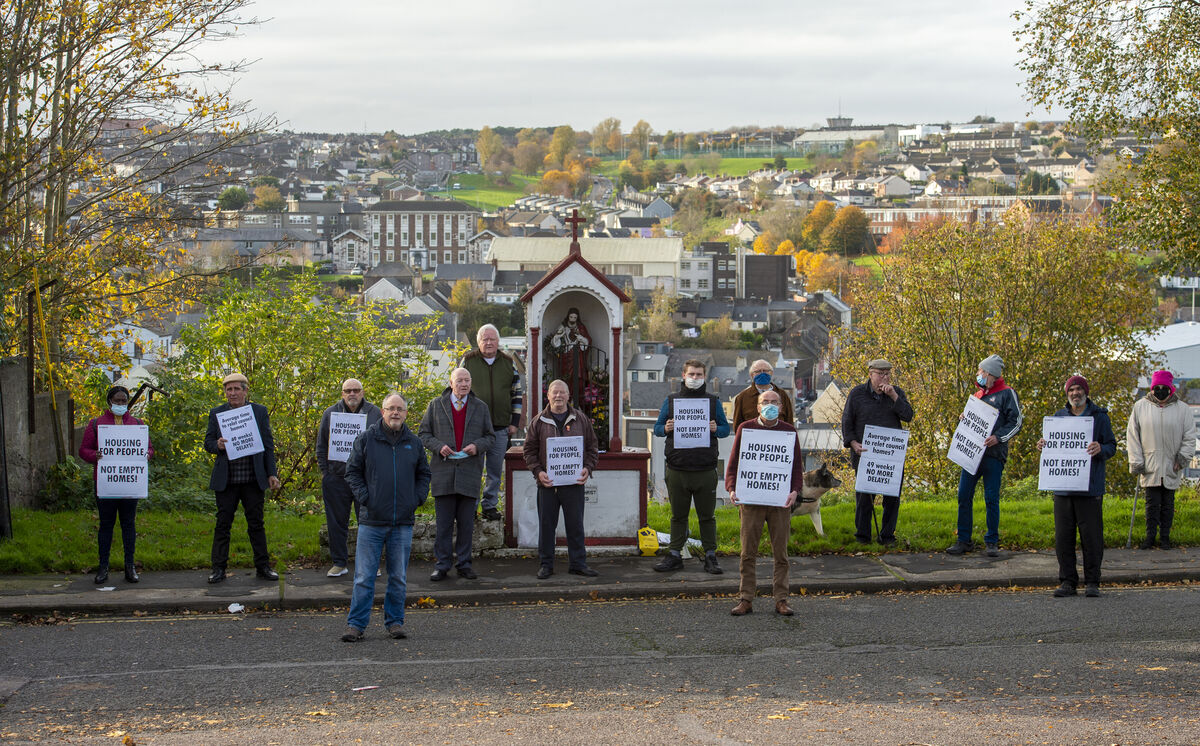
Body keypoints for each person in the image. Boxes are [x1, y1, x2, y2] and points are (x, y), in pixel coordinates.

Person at [341, 393, 431, 641]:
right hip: (372, 520)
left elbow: (424, 474)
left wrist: (416, 499)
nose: (395, 413)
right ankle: (356, 625)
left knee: (399, 578)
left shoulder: (414, 442)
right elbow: (352, 472)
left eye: (399, 409)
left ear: (405, 413)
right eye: (390, 408)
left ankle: (394, 622)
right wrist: (366, 498)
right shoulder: (367, 439)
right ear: (382, 412)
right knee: (363, 577)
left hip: (402, 522)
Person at [1037, 375, 1116, 598]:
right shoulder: (1059, 417)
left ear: (1086, 392)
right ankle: (1068, 582)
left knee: (1091, 538)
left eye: (1079, 389)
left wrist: (1101, 448)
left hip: (1089, 488)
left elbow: (1112, 446)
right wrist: (1044, 444)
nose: (1075, 393)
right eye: (1071, 389)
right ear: (1067, 393)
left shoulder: (1099, 416)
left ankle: (1092, 581)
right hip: (1062, 488)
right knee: (1064, 537)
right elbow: (1054, 446)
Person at [725, 389, 801, 616]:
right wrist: (731, 488)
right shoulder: (745, 428)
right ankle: (746, 598)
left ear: (781, 407)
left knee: (781, 554)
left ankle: (781, 599)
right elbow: (734, 463)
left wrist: (795, 490)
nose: (769, 405)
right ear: (758, 407)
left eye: (774, 402)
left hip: (779, 501)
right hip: (751, 499)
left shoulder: (789, 432)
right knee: (748, 552)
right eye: (765, 401)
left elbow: (797, 467)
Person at [651, 359, 731, 574]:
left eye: (699, 375)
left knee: (707, 516)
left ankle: (710, 555)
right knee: (678, 516)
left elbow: (726, 430)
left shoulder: (713, 402)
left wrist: (716, 428)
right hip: (677, 469)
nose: (695, 378)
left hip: (705, 469)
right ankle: (675, 554)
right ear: (683, 376)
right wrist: (665, 427)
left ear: (704, 377)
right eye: (691, 374)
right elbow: (657, 428)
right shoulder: (672, 401)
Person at [418, 368, 495, 581]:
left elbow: (490, 437)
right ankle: (442, 565)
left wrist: (476, 446)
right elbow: (423, 434)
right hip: (443, 473)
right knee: (443, 525)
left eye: (467, 380)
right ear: (451, 383)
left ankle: (464, 564)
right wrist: (439, 446)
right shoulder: (436, 405)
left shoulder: (480, 407)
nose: (464, 384)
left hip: (469, 472)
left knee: (466, 525)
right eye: (459, 380)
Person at [204, 373, 282, 584]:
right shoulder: (217, 413)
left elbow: (268, 445)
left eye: (237, 389)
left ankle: (263, 567)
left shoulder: (259, 412)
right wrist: (217, 445)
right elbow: (208, 442)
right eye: (229, 390)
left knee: (256, 524)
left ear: (246, 391)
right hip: (226, 480)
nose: (233, 393)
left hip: (252, 479)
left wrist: (271, 473)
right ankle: (218, 569)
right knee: (223, 525)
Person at [523, 379, 600, 579]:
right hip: (547, 484)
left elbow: (592, 448)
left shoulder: (581, 419)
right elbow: (529, 451)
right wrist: (538, 472)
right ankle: (546, 565)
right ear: (548, 396)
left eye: (562, 393)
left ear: (568, 396)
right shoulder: (538, 421)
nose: (558, 396)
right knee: (547, 526)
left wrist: (587, 468)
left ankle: (578, 563)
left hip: (574, 483)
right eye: (554, 392)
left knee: (575, 525)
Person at [947, 354, 1022, 557]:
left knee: (991, 498)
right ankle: (963, 540)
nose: (978, 374)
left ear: (989, 373)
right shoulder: (977, 396)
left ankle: (991, 541)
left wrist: (998, 438)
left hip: (993, 455)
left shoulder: (1007, 394)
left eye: (980, 371)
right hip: (972, 455)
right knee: (963, 495)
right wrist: (965, 418)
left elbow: (1016, 423)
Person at [78, 385, 154, 584]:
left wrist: (147, 454)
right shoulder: (96, 424)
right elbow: (83, 450)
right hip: (106, 483)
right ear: (109, 402)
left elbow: (149, 449)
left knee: (128, 524)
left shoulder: (138, 424)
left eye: (124, 401)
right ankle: (104, 567)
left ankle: (130, 567)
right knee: (106, 525)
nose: (120, 404)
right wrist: (96, 456)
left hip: (130, 483)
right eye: (117, 401)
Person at [841, 359, 914, 545]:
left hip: (890, 454)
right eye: (880, 373)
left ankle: (888, 535)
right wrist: (853, 443)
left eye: (888, 373)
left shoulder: (896, 392)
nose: (885, 377)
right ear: (870, 374)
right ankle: (863, 536)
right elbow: (847, 420)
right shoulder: (857, 394)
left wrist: (894, 397)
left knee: (892, 497)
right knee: (865, 496)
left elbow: (908, 416)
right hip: (864, 452)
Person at [316, 378, 382, 578]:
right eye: (348, 391)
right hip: (336, 477)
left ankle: (370, 563)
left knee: (369, 522)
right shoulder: (330, 413)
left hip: (365, 478)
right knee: (336, 522)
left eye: (356, 390)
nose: (352, 394)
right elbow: (321, 445)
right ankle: (339, 562)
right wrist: (325, 473)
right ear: (342, 393)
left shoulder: (375, 413)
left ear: (362, 392)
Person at [460, 324, 523, 522]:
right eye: (484, 339)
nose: (488, 343)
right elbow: (457, 391)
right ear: (478, 342)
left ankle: (489, 506)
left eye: (492, 339)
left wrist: (514, 422)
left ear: (498, 342)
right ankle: (470, 506)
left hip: (501, 427)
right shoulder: (468, 362)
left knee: (495, 471)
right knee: (473, 469)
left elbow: (517, 393)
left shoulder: (507, 362)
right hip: (473, 429)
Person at [1127, 369, 1196, 550]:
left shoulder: (1182, 409)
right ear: (1152, 388)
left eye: (1163, 387)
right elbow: (1132, 435)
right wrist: (1136, 460)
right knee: (1151, 503)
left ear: (1170, 388)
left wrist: (1182, 458)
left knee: (1167, 503)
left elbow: (1189, 437)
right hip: (1150, 463)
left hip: (1171, 462)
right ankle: (1150, 537)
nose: (1160, 391)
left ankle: (1165, 537)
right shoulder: (1140, 407)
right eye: (1156, 387)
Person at [731, 359, 794, 431]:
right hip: (753, 440)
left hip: (778, 439)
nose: (762, 374)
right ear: (752, 375)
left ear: (771, 373)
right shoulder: (742, 397)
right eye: (758, 371)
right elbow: (738, 426)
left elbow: (789, 423)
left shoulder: (782, 395)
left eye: (765, 371)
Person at [548, 307, 591, 405]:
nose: (572, 319)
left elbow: (588, 341)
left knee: (579, 380)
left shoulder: (581, 327)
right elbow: (555, 343)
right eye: (571, 317)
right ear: (568, 316)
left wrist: (581, 338)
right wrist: (558, 336)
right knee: (566, 379)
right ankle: (567, 402)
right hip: (566, 357)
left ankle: (577, 403)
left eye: (574, 317)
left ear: (577, 318)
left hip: (578, 356)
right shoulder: (562, 327)